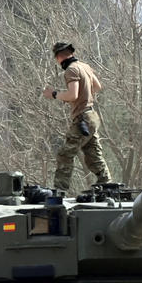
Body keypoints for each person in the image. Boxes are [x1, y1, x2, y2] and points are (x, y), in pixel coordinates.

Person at [42, 41, 111, 193]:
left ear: (59, 57)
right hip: (92, 116)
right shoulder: (84, 66)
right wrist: (85, 94)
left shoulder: (71, 70)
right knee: (93, 154)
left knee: (65, 154)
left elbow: (72, 95)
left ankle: (59, 190)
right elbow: (98, 87)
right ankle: (107, 185)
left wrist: (53, 94)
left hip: (83, 119)